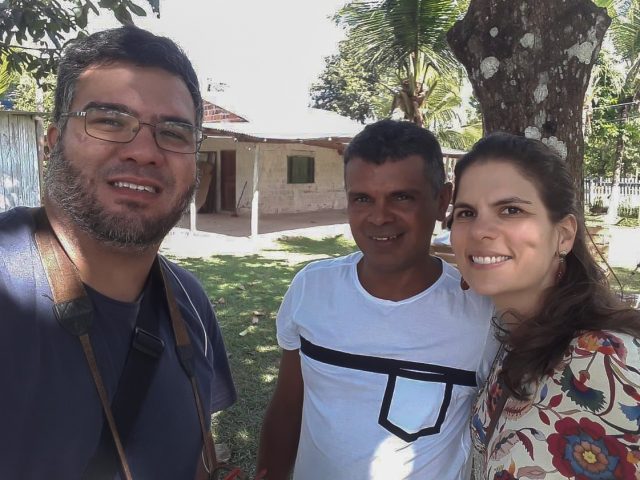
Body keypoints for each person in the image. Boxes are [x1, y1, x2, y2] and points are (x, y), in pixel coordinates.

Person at [0, 27, 236, 479]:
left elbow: (192, 458)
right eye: (109, 121)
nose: (145, 152)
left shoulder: (189, 303)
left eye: (174, 132)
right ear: (52, 142)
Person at [257, 119, 498, 479]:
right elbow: (288, 406)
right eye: (362, 199)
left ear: (441, 201)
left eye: (402, 197)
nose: (379, 217)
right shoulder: (312, 289)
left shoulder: (482, 314)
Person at [449, 133, 640, 479]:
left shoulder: (608, 359)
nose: (479, 230)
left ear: (563, 235)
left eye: (511, 210)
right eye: (466, 213)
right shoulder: (510, 341)